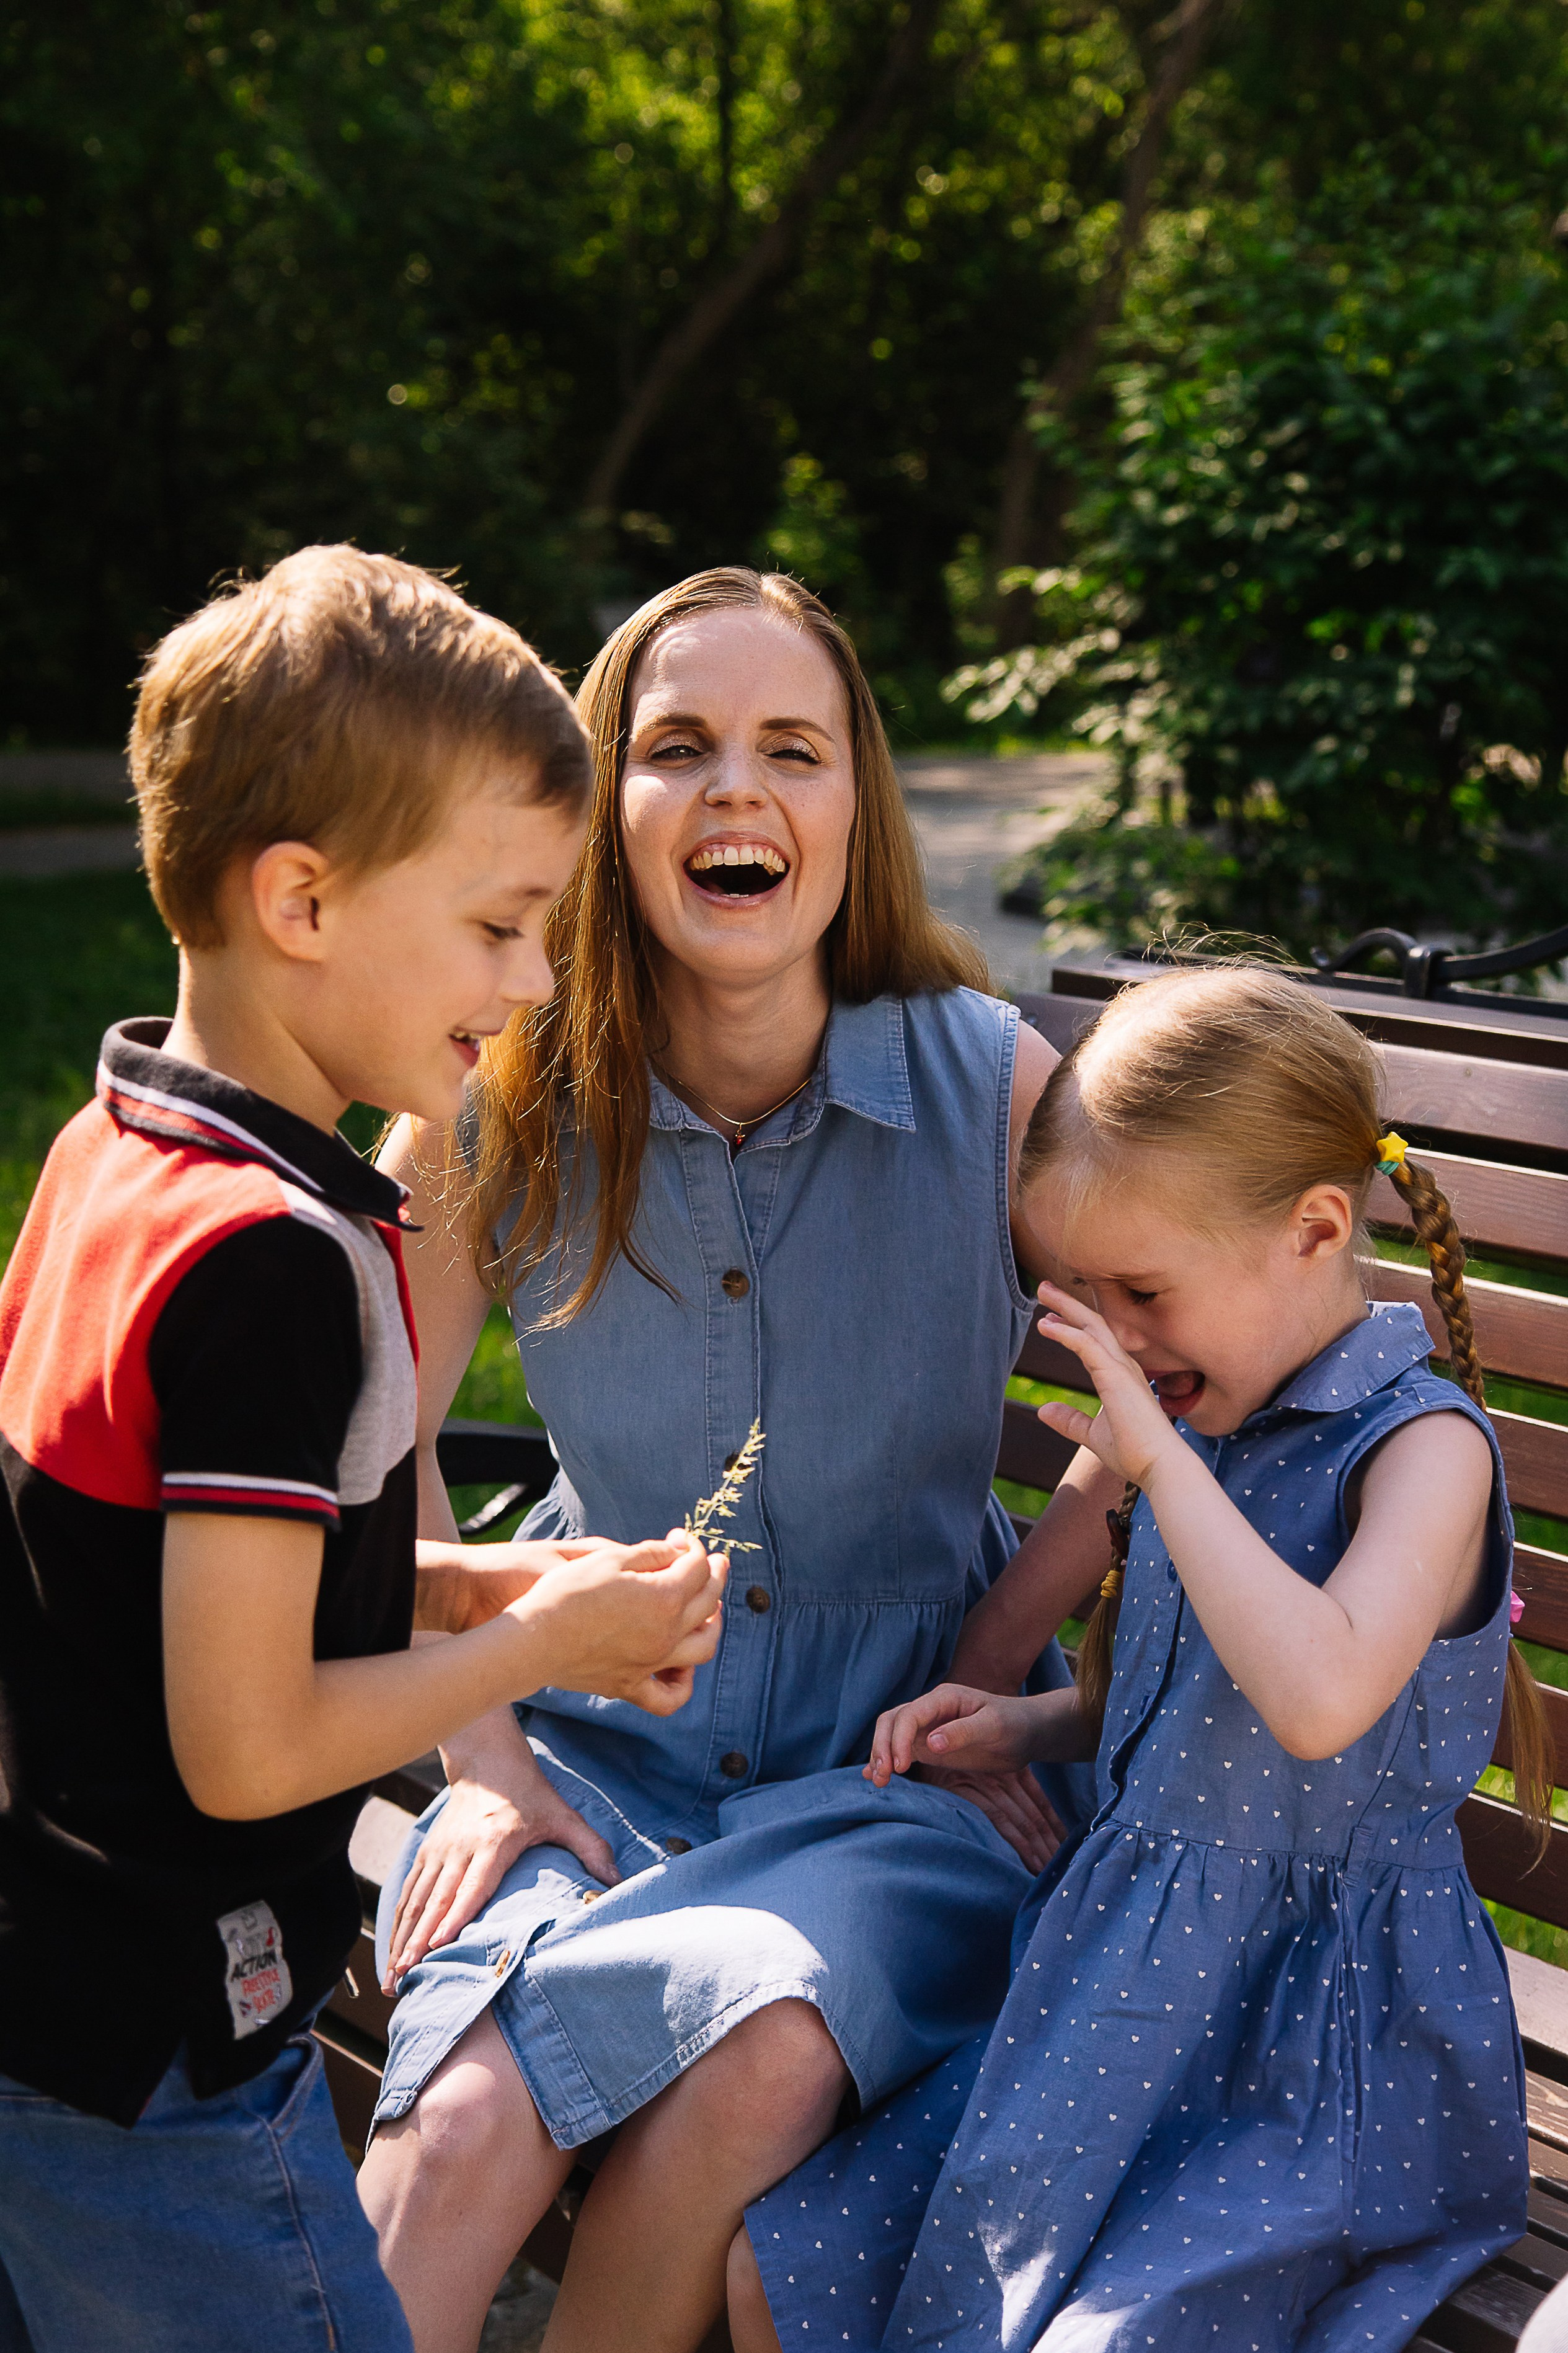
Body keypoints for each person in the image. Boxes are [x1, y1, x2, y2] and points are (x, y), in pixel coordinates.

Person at [355, 567, 1119, 2353]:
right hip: (585, 1751)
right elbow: (361, 1419)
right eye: (677, 748)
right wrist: (473, 1747)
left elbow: (1170, 1406)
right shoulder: (501, 1096)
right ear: (603, 811)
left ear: (858, 803)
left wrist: (996, 1676)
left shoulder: (995, 1088)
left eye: (795, 748)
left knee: (759, 2054)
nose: (736, 794)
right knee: (464, 2120)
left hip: (896, 1777)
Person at [0, 546, 727, 2353]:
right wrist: (542, 1651)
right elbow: (243, 1742)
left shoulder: (122, 1155)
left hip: (46, 1999)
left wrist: (489, 1572)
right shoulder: (280, 1269)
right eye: (494, 928)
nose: (530, 985)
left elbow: (154, 1577)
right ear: (302, 901)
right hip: (161, 2059)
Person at [733, 963, 1550, 2353]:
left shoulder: (1420, 1453)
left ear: (1312, 1231)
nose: (1113, 1337)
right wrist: (1018, 1727)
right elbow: (1196, 1708)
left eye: (1142, 1289)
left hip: (1311, 2053)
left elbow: (1315, 1696)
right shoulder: (1213, 1415)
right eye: (1081, 1294)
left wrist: (1155, 1459)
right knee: (788, 2267)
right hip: (1115, 1997)